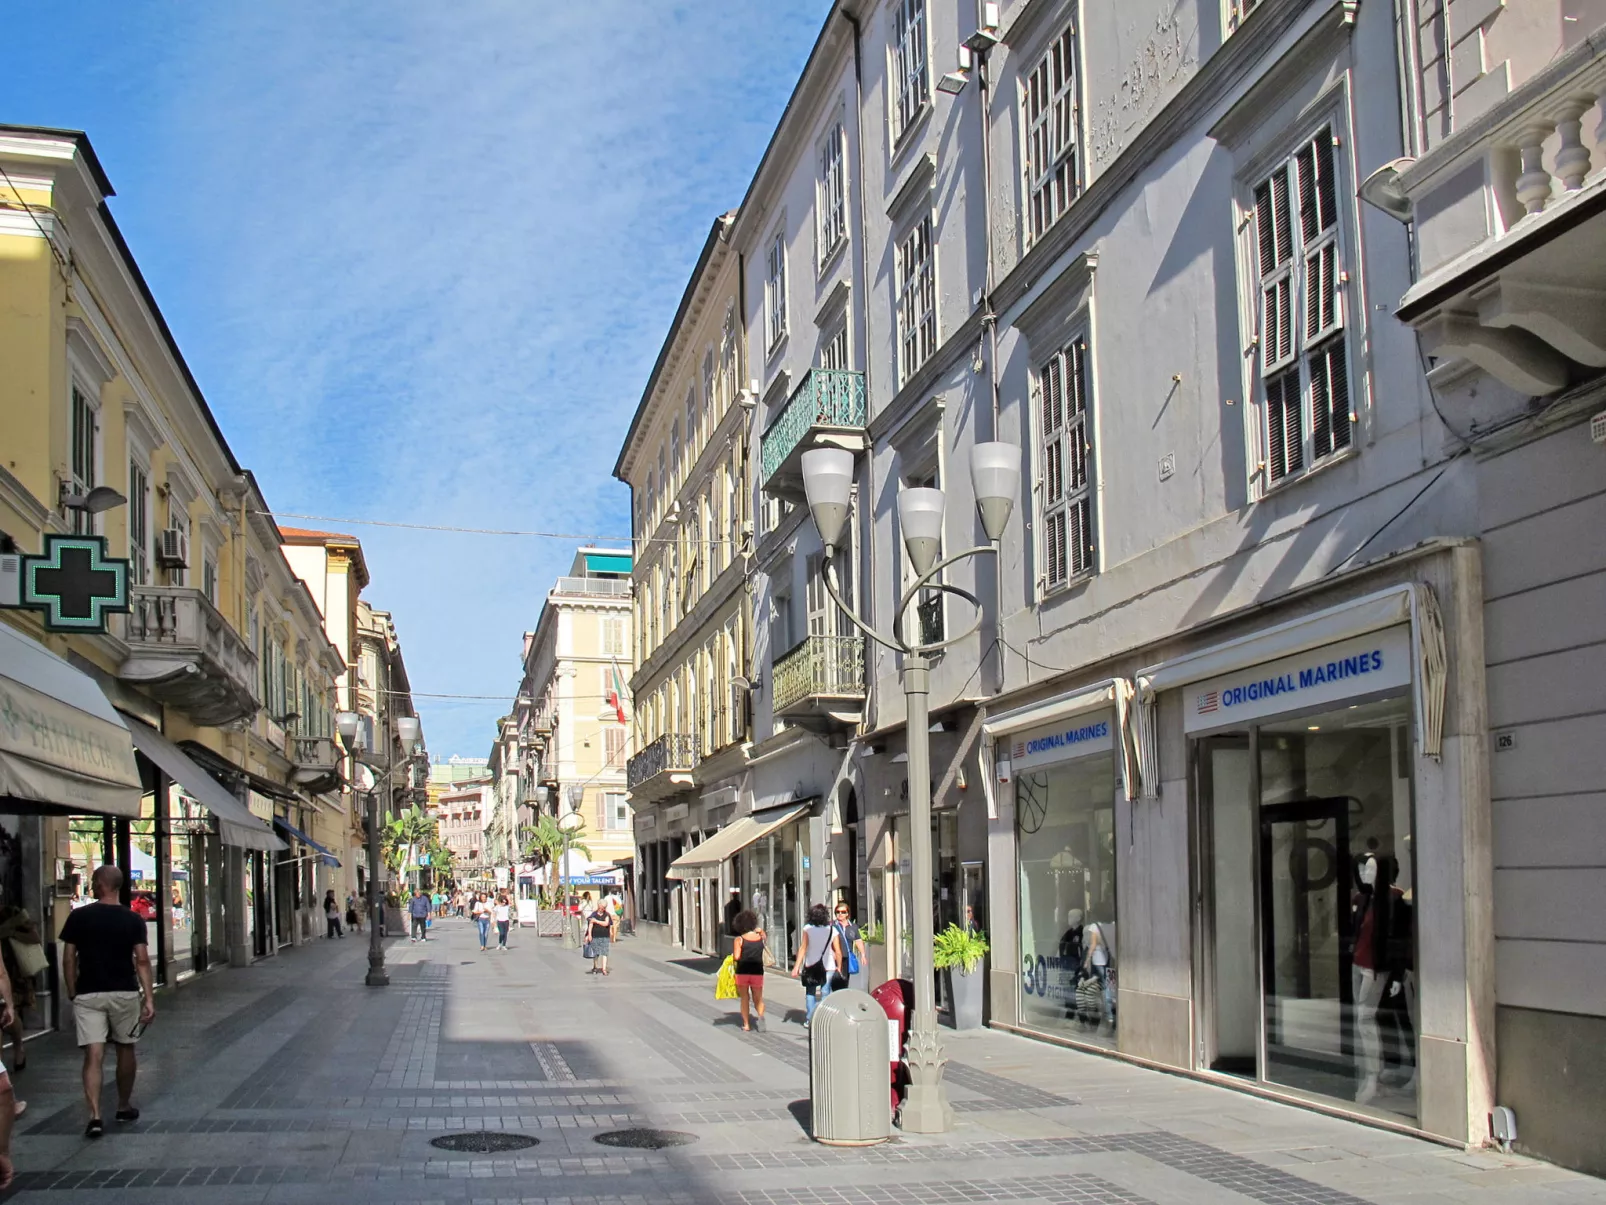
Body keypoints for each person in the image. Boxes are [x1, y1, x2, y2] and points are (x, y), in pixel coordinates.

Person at [59, 865, 155, 1139]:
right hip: (124, 992)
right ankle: (123, 1106)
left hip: (89, 993)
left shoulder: (78, 917)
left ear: (100, 884)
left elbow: (68, 958)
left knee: (93, 1053)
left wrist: (72, 990)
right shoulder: (132, 919)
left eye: (93, 881)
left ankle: (95, 1115)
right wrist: (148, 998)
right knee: (126, 1048)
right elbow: (142, 960)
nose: (91, 884)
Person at [790, 903, 842, 1026]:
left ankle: (809, 1018)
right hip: (828, 965)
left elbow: (803, 948)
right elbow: (838, 951)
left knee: (810, 992)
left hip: (811, 964)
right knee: (825, 992)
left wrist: (796, 966)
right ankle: (823, 1020)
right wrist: (839, 966)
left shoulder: (808, 928)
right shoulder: (832, 930)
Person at [731, 909, 767, 1032]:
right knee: (758, 998)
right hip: (757, 971)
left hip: (743, 972)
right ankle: (761, 1016)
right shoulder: (760, 938)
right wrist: (761, 931)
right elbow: (764, 936)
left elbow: (736, 956)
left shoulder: (739, 939)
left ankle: (746, 1024)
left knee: (745, 998)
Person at [830, 902, 867, 992]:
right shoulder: (832, 926)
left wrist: (863, 955)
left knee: (845, 980)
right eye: (837, 912)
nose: (840, 914)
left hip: (846, 958)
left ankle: (842, 1000)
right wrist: (831, 952)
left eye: (843, 912)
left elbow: (858, 940)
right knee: (835, 982)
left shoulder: (853, 927)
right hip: (834, 958)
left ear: (847, 914)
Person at [584, 898, 617, 976]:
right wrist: (589, 935)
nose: (602, 909)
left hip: (605, 936)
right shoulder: (594, 914)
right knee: (596, 953)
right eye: (601, 907)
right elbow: (590, 925)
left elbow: (606, 923)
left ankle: (604, 969)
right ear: (598, 906)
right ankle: (595, 966)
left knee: (605, 953)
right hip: (595, 936)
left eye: (604, 908)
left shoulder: (607, 915)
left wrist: (596, 921)